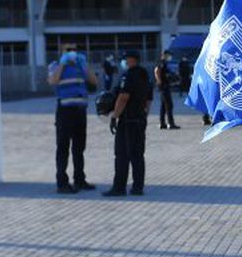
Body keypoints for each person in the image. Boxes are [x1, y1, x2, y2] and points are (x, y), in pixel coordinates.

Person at [47, 43, 99, 194]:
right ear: (62, 52)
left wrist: (84, 65)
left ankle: (79, 180)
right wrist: (63, 64)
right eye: (68, 50)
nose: (72, 53)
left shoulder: (80, 66)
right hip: (64, 111)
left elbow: (94, 82)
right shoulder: (56, 65)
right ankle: (62, 183)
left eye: (74, 50)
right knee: (63, 147)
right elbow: (52, 81)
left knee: (79, 147)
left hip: (80, 111)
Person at [104, 50, 152, 196]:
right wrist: (144, 115)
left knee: (122, 155)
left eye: (125, 59)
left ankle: (118, 188)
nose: (123, 62)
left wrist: (114, 117)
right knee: (138, 155)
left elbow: (123, 97)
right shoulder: (145, 75)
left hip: (128, 120)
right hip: (140, 119)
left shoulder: (129, 75)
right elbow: (149, 100)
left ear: (131, 60)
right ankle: (138, 187)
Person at [154, 50, 179, 130]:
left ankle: (162, 123)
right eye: (168, 55)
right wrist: (159, 82)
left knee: (163, 106)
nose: (169, 57)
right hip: (164, 87)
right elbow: (156, 71)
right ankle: (170, 123)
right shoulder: (162, 62)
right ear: (164, 55)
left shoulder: (164, 63)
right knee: (169, 105)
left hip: (164, 86)